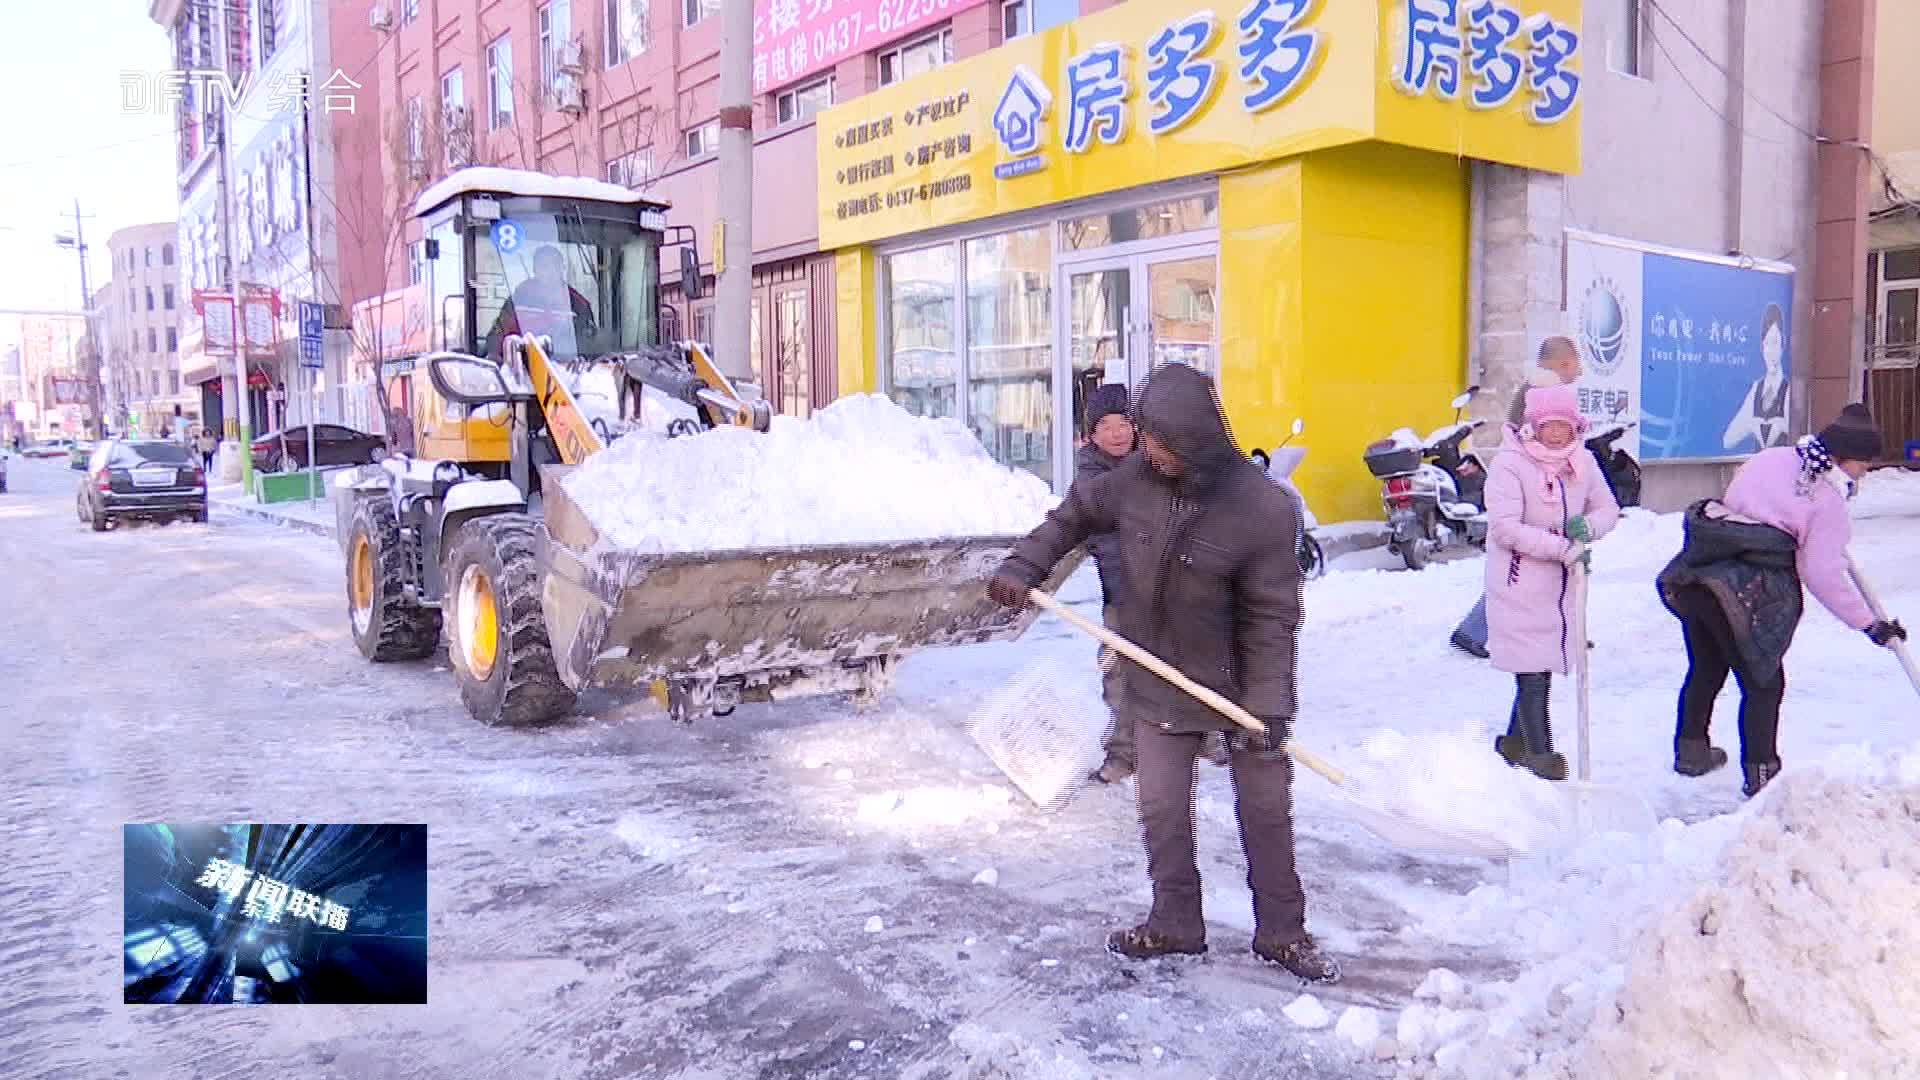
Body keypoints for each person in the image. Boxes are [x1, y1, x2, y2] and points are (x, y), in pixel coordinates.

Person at [986, 363, 1339, 983]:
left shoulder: (1261, 508)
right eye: (1143, 436)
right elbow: (1070, 516)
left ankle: (1282, 932)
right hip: (1155, 671)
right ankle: (1176, 922)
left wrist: (1269, 706)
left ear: (1197, 439)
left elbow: (1272, 617)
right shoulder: (1136, 480)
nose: (1145, 448)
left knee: (1264, 811)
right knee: (1161, 811)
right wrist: (1024, 566)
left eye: (1157, 439)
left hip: (1237, 682)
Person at [1658, 404, 1906, 797]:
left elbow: (1737, 506)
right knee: (1763, 682)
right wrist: (1868, 623)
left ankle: (1691, 751)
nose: (1866, 471)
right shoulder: (1826, 502)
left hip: (1699, 577)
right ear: (1844, 458)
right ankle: (1761, 777)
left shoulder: (1769, 459)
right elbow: (1821, 573)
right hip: (1747, 596)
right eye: (1864, 463)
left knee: (1706, 667)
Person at [1484, 384, 1620, 780]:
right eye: (1549, 426)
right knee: (1531, 669)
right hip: (1519, 581)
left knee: (1539, 662)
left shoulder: (1583, 462)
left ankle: (1514, 742)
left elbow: (1607, 508)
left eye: (1564, 426)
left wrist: (1589, 528)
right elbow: (1506, 528)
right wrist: (1561, 548)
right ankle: (1540, 757)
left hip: (1564, 586)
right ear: (1532, 426)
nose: (1557, 434)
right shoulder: (1509, 465)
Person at [1452, 336, 1584, 659]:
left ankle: (1561, 630)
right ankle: (1473, 631)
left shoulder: (1534, 389)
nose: (1579, 371)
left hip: (1532, 491)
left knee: (1532, 570)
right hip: (1533, 493)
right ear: (1563, 363)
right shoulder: (1545, 395)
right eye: (1575, 363)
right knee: (1522, 570)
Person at [1080, 383, 1141, 784]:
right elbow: (1107, 540)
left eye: (1124, 423)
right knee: (1118, 673)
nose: (1117, 433)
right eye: (1106, 425)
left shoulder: (1160, 464)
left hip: (1177, 591)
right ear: (1092, 434)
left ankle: (1204, 741)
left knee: (1189, 668)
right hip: (1122, 596)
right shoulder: (1090, 480)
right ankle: (1124, 755)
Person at [482, 244, 598, 360]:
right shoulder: (519, 299)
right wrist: (495, 354)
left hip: (565, 371)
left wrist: (582, 358)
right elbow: (497, 335)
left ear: (562, 268)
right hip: (522, 369)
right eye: (544, 266)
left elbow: (589, 344)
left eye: (555, 265)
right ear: (535, 269)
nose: (550, 271)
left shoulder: (578, 304)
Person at [1721, 304, 1791, 452]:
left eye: (1775, 342)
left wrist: (1781, 426)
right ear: (1762, 348)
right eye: (1767, 344)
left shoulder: (1788, 390)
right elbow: (1728, 440)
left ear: (1783, 345)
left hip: (1783, 469)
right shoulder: (1757, 389)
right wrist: (1751, 425)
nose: (1771, 351)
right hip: (1758, 469)